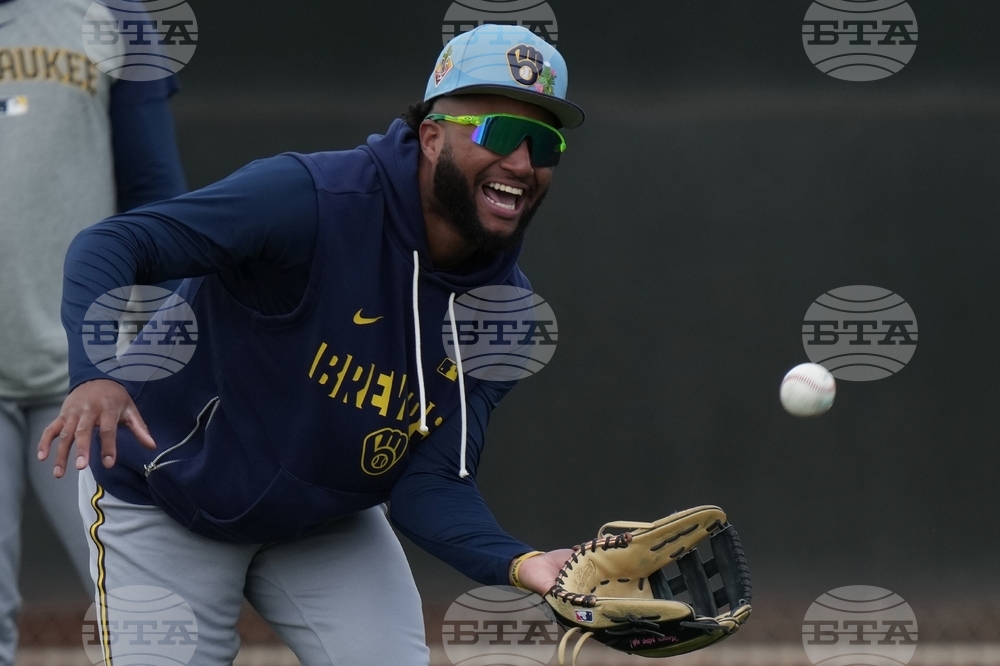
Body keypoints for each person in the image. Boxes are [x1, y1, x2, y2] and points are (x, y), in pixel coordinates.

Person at [38, 24, 582, 665]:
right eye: (498, 132)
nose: (521, 162)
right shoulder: (311, 199)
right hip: (168, 492)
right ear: (432, 137)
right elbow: (112, 243)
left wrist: (521, 563)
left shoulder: (503, 318)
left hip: (323, 521)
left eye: (544, 142)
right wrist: (95, 373)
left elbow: (430, 481)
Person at [0, 0, 186, 661]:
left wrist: (166, 353)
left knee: (147, 611)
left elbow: (155, 197)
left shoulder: (114, 15)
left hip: (91, 375)